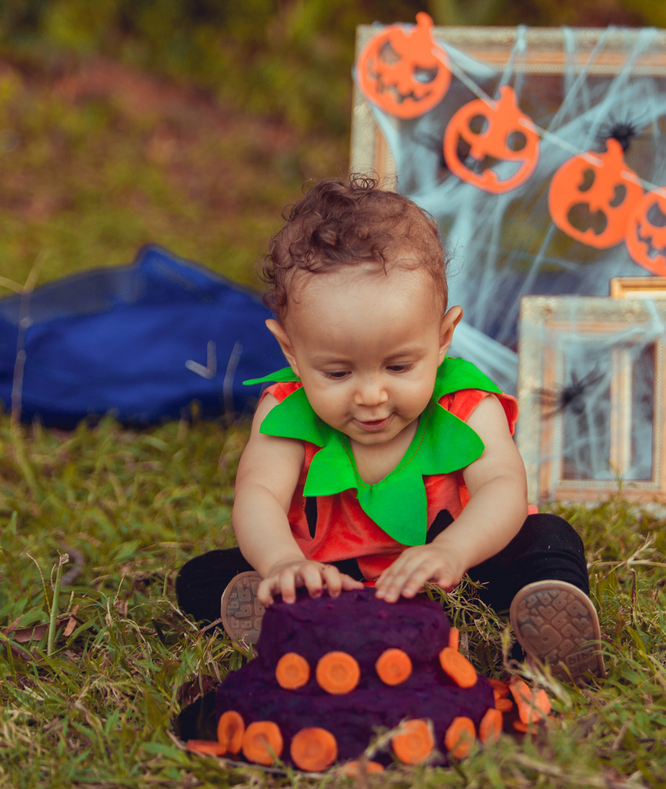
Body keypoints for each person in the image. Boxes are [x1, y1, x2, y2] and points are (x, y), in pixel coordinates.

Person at [175, 176, 604, 681]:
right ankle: (303, 612)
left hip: (461, 573)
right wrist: (282, 564)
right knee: (200, 579)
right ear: (291, 351)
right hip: (334, 576)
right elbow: (259, 494)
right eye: (337, 373)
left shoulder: (468, 405)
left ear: (443, 338)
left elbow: (503, 487)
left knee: (548, 538)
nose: (371, 395)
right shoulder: (284, 411)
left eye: (399, 367)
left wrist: (452, 551)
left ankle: (542, 631)